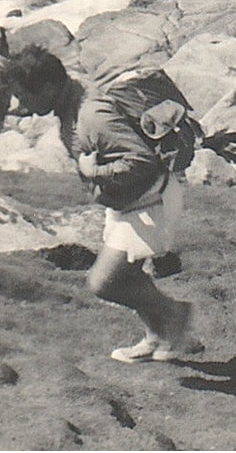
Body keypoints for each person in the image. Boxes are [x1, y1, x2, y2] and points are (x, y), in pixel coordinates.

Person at [5, 45, 199, 363]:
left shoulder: (91, 114)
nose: (19, 104)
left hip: (149, 202)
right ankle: (156, 336)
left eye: (23, 95)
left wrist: (93, 171)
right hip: (128, 202)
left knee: (103, 283)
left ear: (49, 88)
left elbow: (142, 161)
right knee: (129, 275)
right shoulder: (73, 101)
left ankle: (176, 314)